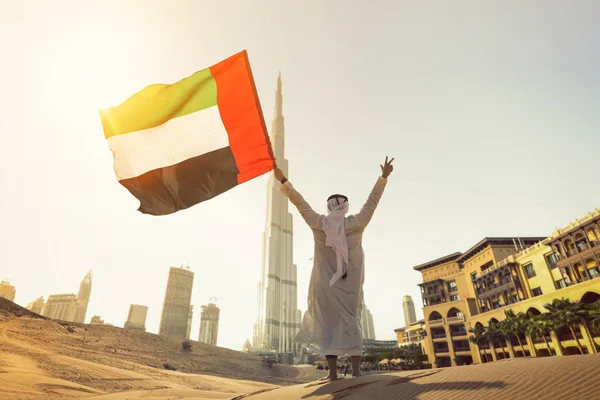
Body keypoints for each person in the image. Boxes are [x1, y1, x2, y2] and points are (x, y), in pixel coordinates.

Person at [273, 156, 394, 382]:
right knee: (351, 320)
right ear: (346, 207)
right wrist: (383, 177)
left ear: (329, 207)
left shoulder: (319, 223)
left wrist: (284, 180)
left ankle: (333, 374)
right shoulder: (358, 222)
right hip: (351, 284)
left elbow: (300, 202)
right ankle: (356, 372)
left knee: (328, 324)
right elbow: (372, 201)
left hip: (325, 285)